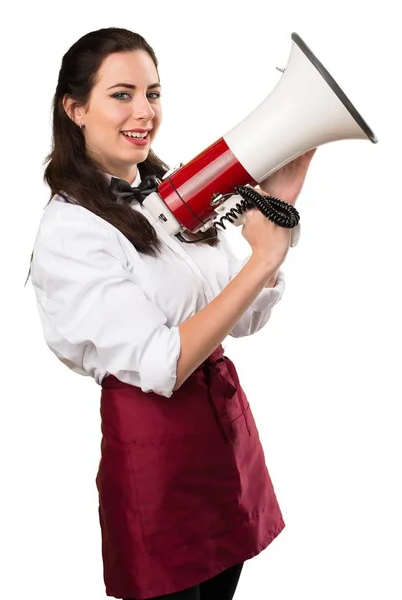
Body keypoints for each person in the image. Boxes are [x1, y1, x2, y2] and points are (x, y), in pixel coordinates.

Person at [27, 26, 315, 600]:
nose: (144, 111)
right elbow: (164, 364)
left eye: (153, 93)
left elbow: (247, 318)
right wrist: (262, 258)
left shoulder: (174, 194)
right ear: (75, 108)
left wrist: (277, 209)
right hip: (156, 454)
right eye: (122, 93)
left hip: (222, 434)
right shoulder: (70, 230)